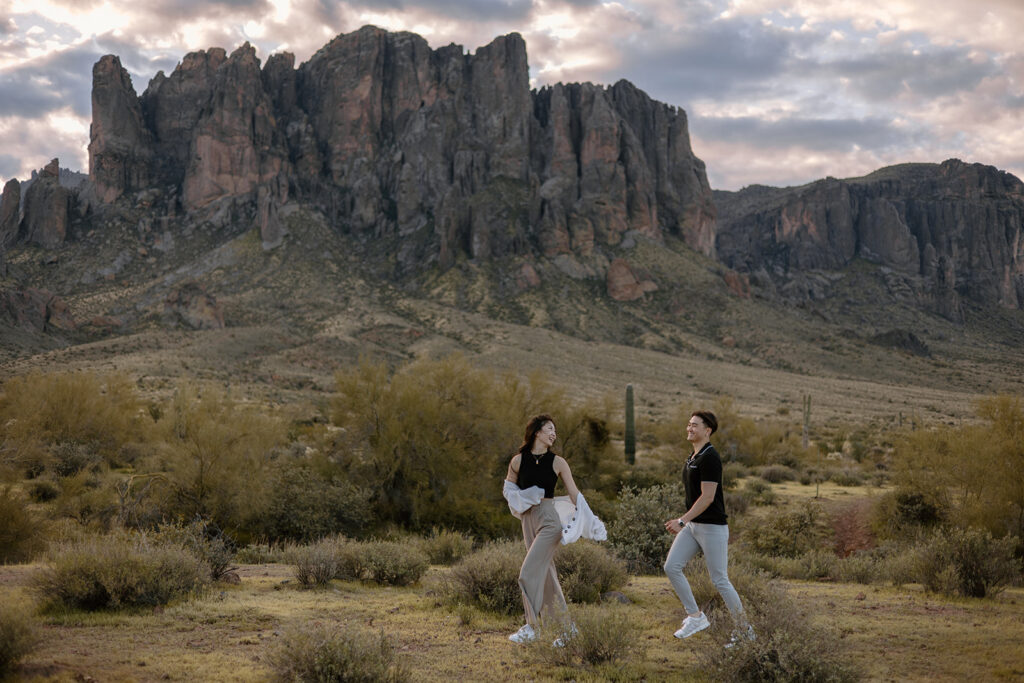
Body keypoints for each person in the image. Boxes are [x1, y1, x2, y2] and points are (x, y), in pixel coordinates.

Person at [663, 410, 754, 647]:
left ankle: (745, 631)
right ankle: (695, 617)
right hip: (694, 526)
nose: (689, 428)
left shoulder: (710, 457)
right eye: (688, 424)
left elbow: (707, 497)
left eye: (694, 425)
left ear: (707, 430)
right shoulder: (693, 456)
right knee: (672, 567)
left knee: (720, 579)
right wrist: (687, 523)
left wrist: (681, 521)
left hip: (712, 527)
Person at [503, 414, 580, 644]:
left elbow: (575, 494)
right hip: (527, 520)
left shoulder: (558, 462)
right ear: (537, 432)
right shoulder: (518, 460)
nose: (553, 433)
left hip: (549, 520)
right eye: (549, 429)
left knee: (528, 573)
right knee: (546, 575)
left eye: (555, 430)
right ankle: (567, 630)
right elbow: (508, 490)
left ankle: (532, 627)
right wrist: (526, 497)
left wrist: (587, 518)